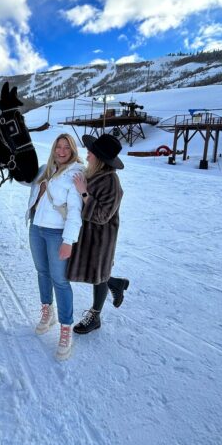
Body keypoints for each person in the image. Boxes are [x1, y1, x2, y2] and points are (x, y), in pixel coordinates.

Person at [26, 133, 84, 360]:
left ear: (72, 151)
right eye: (58, 147)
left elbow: (75, 213)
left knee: (60, 280)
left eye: (66, 148)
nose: (61, 151)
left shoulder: (75, 174)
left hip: (57, 234)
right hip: (36, 228)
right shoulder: (47, 169)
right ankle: (47, 311)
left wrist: (68, 241)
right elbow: (26, 183)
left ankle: (66, 328)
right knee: (42, 272)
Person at [67, 133, 130, 335]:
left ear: (100, 159)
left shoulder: (111, 182)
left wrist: (84, 193)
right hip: (87, 236)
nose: (87, 157)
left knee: (98, 275)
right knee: (98, 274)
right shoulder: (93, 174)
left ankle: (95, 316)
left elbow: (103, 215)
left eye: (90, 154)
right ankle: (116, 283)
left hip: (100, 239)